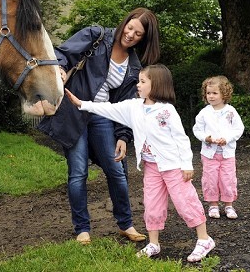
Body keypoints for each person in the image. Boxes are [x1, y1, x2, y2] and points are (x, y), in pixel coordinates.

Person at [65, 65, 215, 262]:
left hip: (173, 166)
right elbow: (109, 108)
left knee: (184, 201)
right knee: (152, 203)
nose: (138, 84)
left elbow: (181, 138)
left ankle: (204, 239)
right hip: (151, 167)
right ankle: (153, 243)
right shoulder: (133, 107)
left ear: (157, 85)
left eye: (143, 81)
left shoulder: (167, 110)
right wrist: (82, 104)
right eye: (139, 81)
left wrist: (187, 164)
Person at [38, 8, 161, 245]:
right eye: (130, 27)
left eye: (138, 34)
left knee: (117, 170)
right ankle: (82, 229)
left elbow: (127, 106)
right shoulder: (97, 36)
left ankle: (126, 224)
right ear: (124, 22)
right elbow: (62, 52)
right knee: (78, 172)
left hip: (101, 115)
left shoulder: (134, 66)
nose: (131, 34)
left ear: (144, 38)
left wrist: (123, 137)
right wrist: (61, 69)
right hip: (74, 111)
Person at [192, 76, 244, 219]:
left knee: (228, 178)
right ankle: (213, 205)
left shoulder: (231, 111)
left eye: (215, 93)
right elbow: (197, 130)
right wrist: (206, 138)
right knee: (210, 179)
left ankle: (229, 205)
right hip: (209, 154)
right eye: (208, 93)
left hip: (227, 154)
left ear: (224, 94)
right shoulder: (204, 112)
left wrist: (227, 139)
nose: (211, 96)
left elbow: (238, 129)